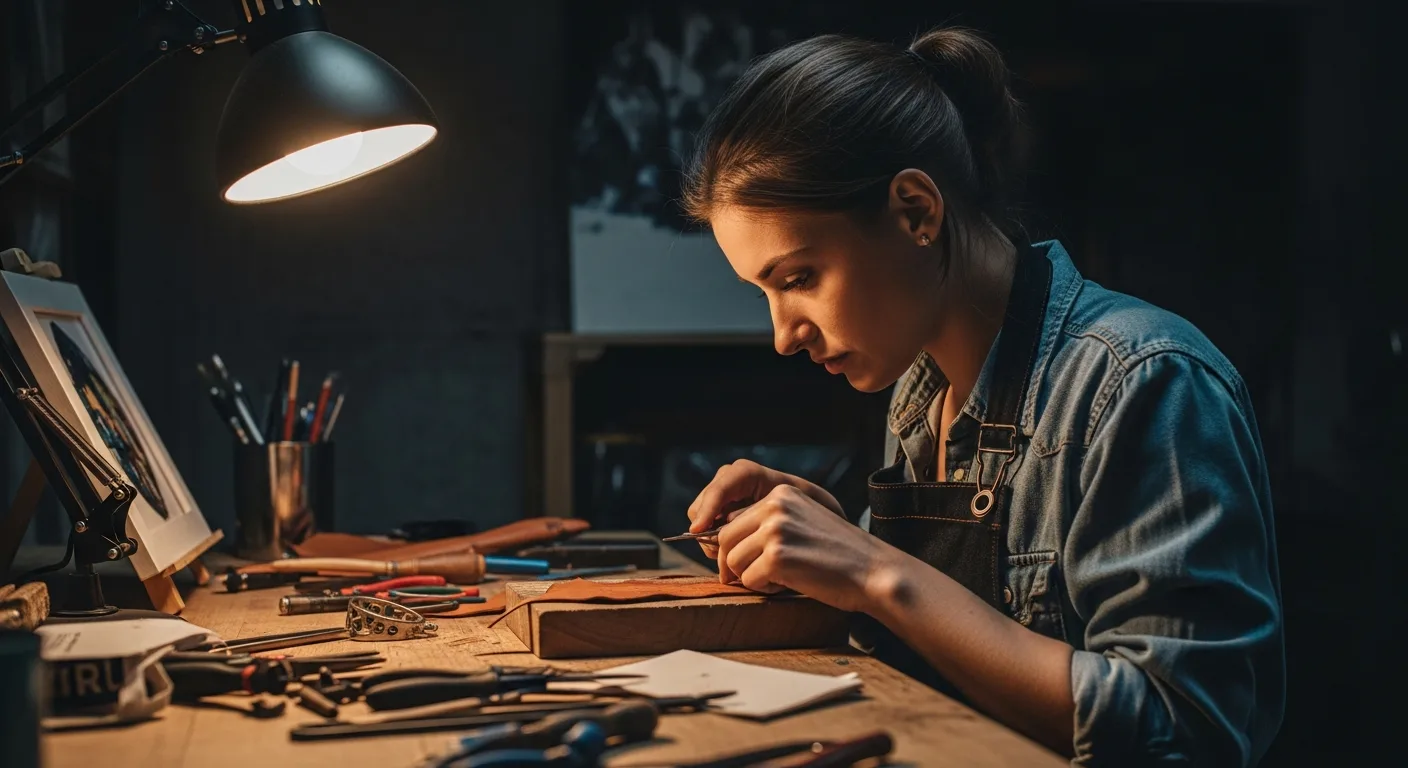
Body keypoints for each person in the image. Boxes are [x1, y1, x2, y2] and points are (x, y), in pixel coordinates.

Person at [678, 25, 1284, 766]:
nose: (783, 336)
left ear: (915, 212)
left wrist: (876, 569)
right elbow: (933, 649)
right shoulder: (919, 392)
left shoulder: (1143, 381)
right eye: (764, 293)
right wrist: (830, 550)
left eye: (798, 278)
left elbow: (1183, 732)